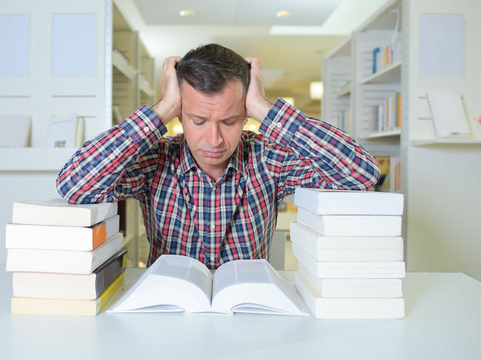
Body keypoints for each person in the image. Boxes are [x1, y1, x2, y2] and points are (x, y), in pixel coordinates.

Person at [56, 44, 380, 269]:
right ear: (180, 115)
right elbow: (74, 185)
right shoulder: (154, 160)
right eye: (198, 121)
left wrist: (265, 110)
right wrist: (162, 109)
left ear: (245, 114)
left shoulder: (267, 158)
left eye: (229, 121)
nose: (214, 140)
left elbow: (362, 174)